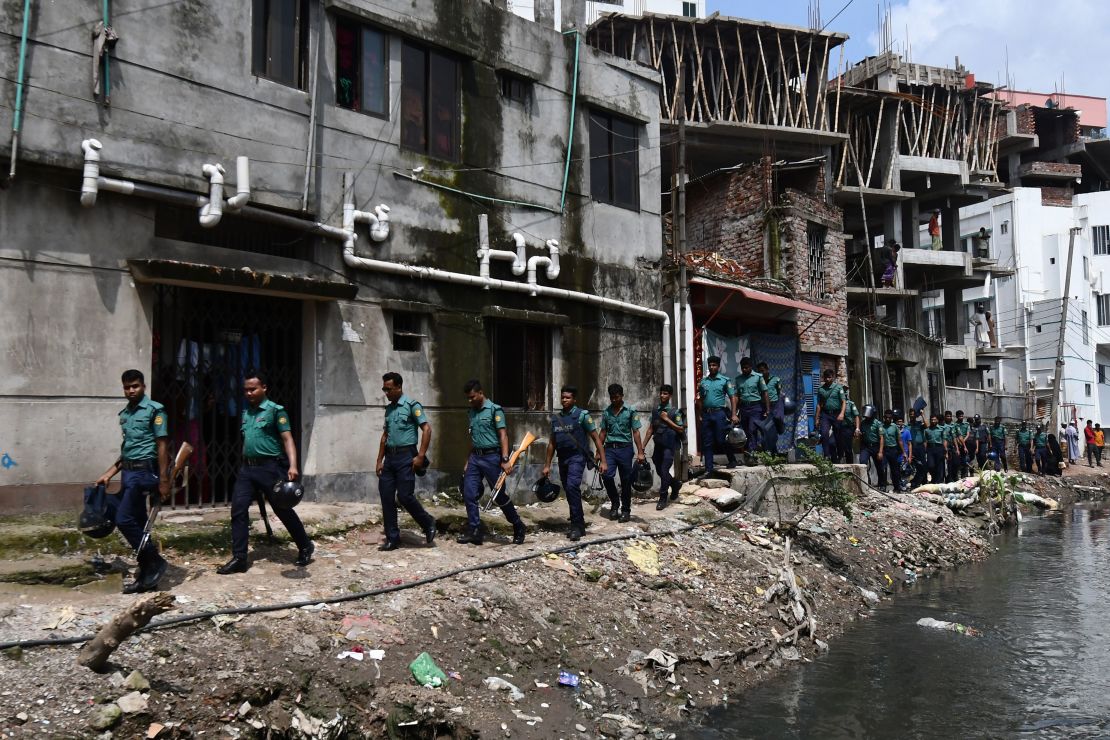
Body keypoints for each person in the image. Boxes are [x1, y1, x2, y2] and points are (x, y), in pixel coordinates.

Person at [217, 371, 314, 574]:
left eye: (253, 389)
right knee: (238, 510)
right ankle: (240, 558)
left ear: (264, 388)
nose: (249, 393)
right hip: (247, 469)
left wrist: (293, 466)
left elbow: (288, 439)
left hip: (270, 468)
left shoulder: (275, 411)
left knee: (282, 508)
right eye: (246, 390)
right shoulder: (246, 413)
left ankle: (305, 545)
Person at [94, 369, 172, 593]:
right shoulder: (125, 415)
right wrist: (110, 473)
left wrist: (164, 479)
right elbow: (127, 451)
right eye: (127, 387)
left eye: (135, 386)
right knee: (136, 520)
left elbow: (162, 445)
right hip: (128, 473)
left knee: (124, 518)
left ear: (143, 386)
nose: (131, 390)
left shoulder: (155, 411)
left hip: (144, 474)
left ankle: (154, 561)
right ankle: (148, 572)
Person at [457, 380, 526, 546]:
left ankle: (518, 525)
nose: (470, 400)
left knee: (498, 495)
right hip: (475, 457)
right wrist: (467, 461)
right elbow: (473, 438)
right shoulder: (471, 412)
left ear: (481, 393)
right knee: (469, 494)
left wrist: (505, 459)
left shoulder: (495, 410)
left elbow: (503, 435)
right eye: (468, 398)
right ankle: (475, 531)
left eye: (472, 397)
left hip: (492, 457)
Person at [374, 372, 437, 551]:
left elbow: (426, 429)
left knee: (404, 496)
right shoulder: (389, 409)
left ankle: (427, 522)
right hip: (390, 457)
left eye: (389, 389)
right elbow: (385, 436)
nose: (386, 392)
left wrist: (421, 456)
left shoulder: (411, 406)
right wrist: (379, 460)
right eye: (384, 389)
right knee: (386, 496)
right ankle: (392, 538)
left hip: (406, 456)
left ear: (399, 387)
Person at [542, 386, 607, 540]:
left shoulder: (582, 415)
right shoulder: (556, 419)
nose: (564, 400)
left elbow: (596, 437)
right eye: (563, 397)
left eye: (568, 397)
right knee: (569, 490)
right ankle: (579, 522)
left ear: (574, 400)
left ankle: (577, 526)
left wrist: (603, 460)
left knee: (572, 486)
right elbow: (552, 443)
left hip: (577, 457)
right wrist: (547, 464)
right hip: (562, 458)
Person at [599, 383, 646, 523]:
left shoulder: (630, 411)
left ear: (622, 396)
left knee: (626, 481)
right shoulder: (606, 412)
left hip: (625, 449)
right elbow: (602, 432)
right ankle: (615, 503)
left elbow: (636, 432)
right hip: (609, 449)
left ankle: (626, 510)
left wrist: (640, 452)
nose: (614, 400)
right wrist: (598, 451)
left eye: (616, 397)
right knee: (606, 476)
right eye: (611, 397)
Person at [642, 384, 685, 510]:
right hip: (658, 444)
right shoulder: (655, 410)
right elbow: (650, 429)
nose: (662, 395)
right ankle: (675, 484)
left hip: (669, 445)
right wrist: (642, 447)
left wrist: (667, 419)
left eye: (665, 393)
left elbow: (681, 429)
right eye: (661, 393)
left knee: (664, 469)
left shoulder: (674, 412)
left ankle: (663, 497)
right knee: (660, 469)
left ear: (670, 396)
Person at [696, 356, 737, 474]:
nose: (711, 367)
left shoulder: (725, 380)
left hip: (719, 413)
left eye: (714, 365)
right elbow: (700, 399)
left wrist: (733, 414)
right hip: (706, 414)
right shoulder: (703, 382)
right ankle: (708, 469)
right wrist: (700, 414)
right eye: (710, 365)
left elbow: (732, 398)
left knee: (721, 439)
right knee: (707, 441)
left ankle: (732, 459)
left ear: (718, 367)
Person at [734, 358, 765, 454]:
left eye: (746, 368)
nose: (744, 370)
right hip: (744, 408)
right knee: (746, 431)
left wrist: (767, 409)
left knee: (752, 429)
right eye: (743, 368)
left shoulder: (758, 377)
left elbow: (765, 393)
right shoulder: (738, 379)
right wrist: (734, 413)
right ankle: (749, 451)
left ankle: (752, 453)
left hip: (755, 407)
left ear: (751, 367)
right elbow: (736, 396)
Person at [815, 369, 846, 461]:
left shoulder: (838, 388)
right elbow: (819, 405)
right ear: (823, 378)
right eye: (826, 377)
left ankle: (840, 454)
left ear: (833, 377)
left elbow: (844, 402)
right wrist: (816, 418)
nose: (827, 379)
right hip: (825, 414)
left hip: (837, 414)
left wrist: (842, 413)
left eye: (829, 377)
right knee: (824, 433)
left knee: (838, 436)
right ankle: (826, 455)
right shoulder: (821, 389)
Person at [756, 362, 784, 454]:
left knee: (773, 428)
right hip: (763, 407)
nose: (761, 373)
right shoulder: (758, 382)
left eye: (763, 371)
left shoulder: (776, 379)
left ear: (767, 370)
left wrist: (779, 407)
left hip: (774, 406)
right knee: (767, 430)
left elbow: (780, 393)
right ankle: (773, 452)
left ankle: (773, 452)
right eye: (759, 372)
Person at [859, 408, 886, 489]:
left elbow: (881, 438)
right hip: (866, 446)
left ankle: (882, 485)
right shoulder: (863, 423)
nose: (866, 417)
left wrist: (880, 452)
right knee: (862, 462)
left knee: (879, 466)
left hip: (876, 446)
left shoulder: (877, 423)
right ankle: (867, 482)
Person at [880, 410, 903, 491]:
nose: (887, 419)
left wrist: (904, 452)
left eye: (889, 417)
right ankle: (883, 486)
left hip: (893, 450)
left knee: (895, 470)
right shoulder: (881, 426)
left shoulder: (894, 427)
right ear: (884, 417)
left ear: (892, 418)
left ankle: (897, 486)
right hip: (884, 450)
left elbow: (899, 439)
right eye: (886, 417)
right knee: (883, 468)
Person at [924, 414, 947, 482]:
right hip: (930, 449)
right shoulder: (927, 430)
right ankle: (934, 478)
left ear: (937, 420)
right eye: (932, 420)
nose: (933, 421)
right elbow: (925, 441)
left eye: (934, 420)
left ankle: (938, 481)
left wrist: (945, 450)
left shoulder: (941, 429)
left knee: (939, 466)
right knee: (930, 465)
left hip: (939, 448)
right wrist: (925, 450)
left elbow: (944, 440)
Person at [908, 411, 928, 486]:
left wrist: (922, 414)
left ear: (916, 415)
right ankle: (915, 482)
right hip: (911, 447)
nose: (912, 416)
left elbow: (926, 425)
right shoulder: (907, 426)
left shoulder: (919, 424)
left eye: (913, 414)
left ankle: (924, 481)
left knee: (923, 465)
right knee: (915, 465)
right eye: (911, 414)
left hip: (920, 447)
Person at [841, 397, 862, 466]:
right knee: (832, 444)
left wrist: (857, 429)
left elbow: (856, 416)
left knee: (848, 448)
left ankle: (850, 465)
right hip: (838, 428)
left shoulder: (850, 404)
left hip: (847, 427)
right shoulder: (835, 403)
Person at [952, 410, 971, 479]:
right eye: (960, 416)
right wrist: (959, 442)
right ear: (957, 417)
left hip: (965, 443)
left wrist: (963, 442)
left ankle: (964, 475)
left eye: (962, 416)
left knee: (965, 460)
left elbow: (968, 434)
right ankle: (957, 476)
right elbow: (956, 435)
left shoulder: (967, 424)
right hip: (957, 443)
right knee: (957, 461)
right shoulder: (954, 425)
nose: (961, 417)